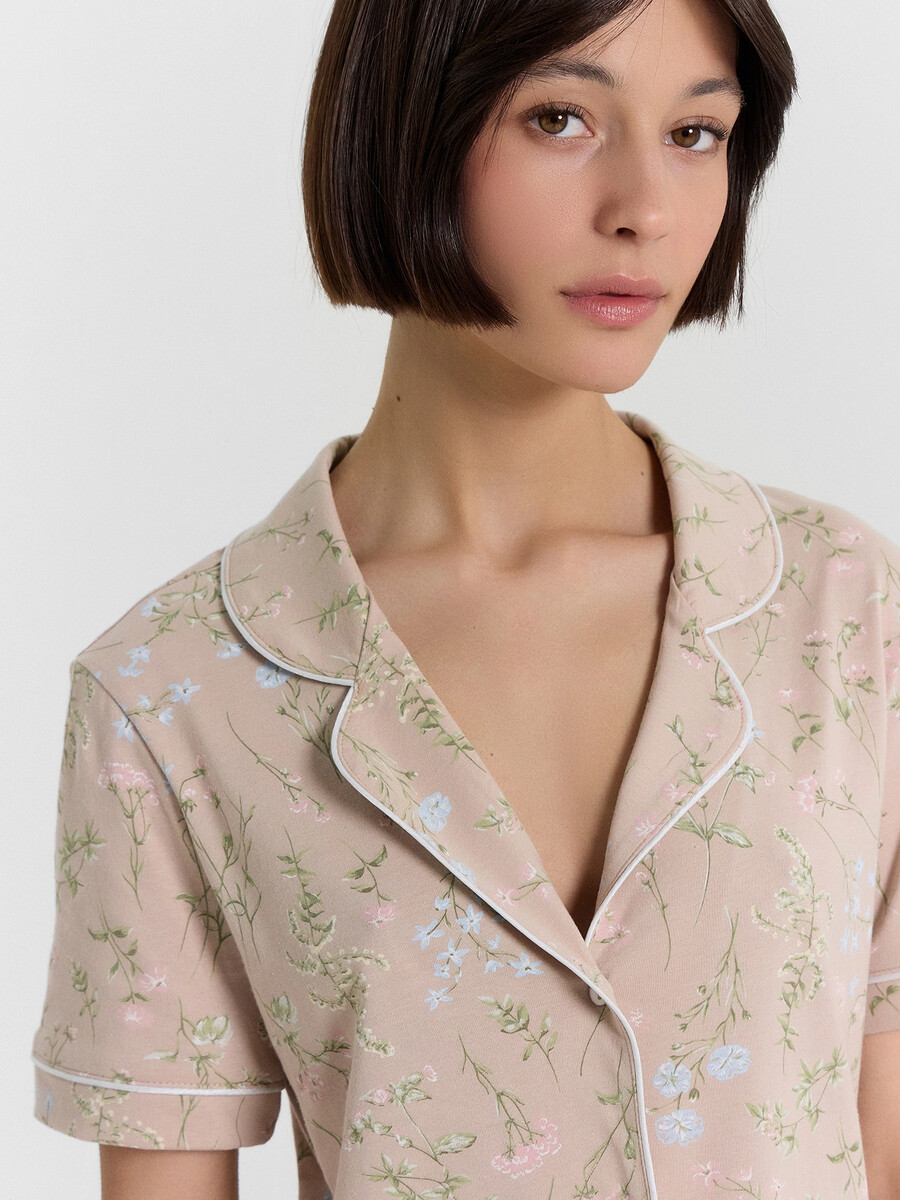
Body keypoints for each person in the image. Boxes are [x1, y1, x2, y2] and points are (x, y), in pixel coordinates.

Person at [29, 0, 900, 1196]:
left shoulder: (847, 612)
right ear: (404, 125)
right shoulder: (174, 695)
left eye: (695, 134)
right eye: (560, 119)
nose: (644, 209)